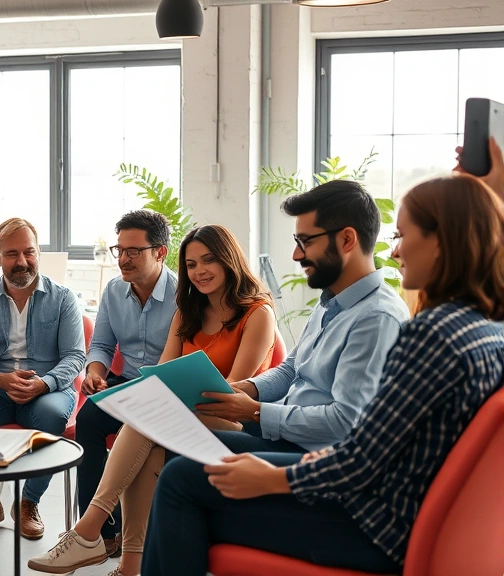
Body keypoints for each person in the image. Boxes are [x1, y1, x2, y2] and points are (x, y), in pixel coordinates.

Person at [141, 173, 504, 576]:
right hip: (384, 506)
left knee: (180, 487)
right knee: (185, 460)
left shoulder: (422, 331)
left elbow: (359, 449)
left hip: (372, 522)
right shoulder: (482, 329)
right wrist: (246, 395)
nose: (396, 250)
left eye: (402, 235)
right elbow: (301, 375)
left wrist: (277, 476)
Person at [29, 224, 275, 575]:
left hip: (233, 419)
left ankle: (89, 532)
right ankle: (130, 566)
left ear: (229, 260)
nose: (199, 272)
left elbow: (235, 391)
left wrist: (171, 397)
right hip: (180, 414)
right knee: (147, 423)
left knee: (148, 416)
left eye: (208, 261)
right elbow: (160, 377)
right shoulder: (187, 312)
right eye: (191, 265)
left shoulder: (257, 313)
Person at [194, 180, 410, 456]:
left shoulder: (376, 318)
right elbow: (292, 369)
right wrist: (244, 389)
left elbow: (345, 421)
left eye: (305, 242)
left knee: (181, 460)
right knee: (171, 424)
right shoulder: (332, 301)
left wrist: (256, 412)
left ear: (346, 240)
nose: (296, 254)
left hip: (310, 454)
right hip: (285, 432)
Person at [0, 218, 86, 540]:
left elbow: (75, 357)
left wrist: (44, 383)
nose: (22, 261)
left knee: (52, 415)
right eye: (12, 254)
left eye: (29, 252)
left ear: (38, 253)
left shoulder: (63, 298)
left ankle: (29, 502)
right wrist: (0, 380)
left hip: (48, 389)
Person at [74, 209, 179, 557]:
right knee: (88, 419)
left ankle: (139, 532)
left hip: (168, 390)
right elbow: (102, 344)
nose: (123, 259)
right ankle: (100, 533)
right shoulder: (114, 291)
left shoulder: (184, 294)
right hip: (127, 382)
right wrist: (95, 371)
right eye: (119, 250)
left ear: (160, 252)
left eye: (133, 251)